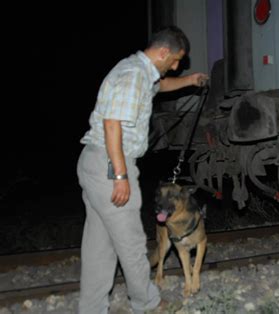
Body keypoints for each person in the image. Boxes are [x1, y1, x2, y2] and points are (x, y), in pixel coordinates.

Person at [76, 26, 208, 314]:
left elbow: (160, 87)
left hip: (96, 162)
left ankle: (91, 308)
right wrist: (121, 175)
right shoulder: (134, 76)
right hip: (111, 163)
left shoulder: (140, 73)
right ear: (162, 52)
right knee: (133, 242)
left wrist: (188, 80)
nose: (176, 66)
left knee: (100, 246)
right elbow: (113, 124)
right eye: (175, 61)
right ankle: (147, 303)